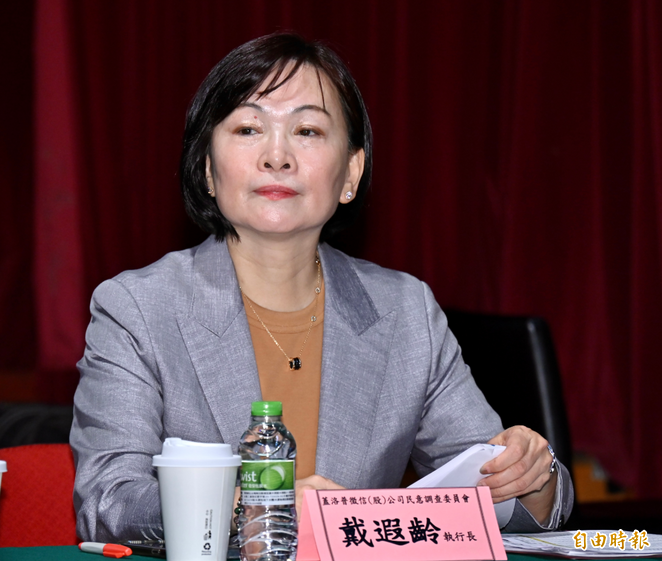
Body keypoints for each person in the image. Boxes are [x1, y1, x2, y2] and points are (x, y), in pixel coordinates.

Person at [70, 33, 574, 543]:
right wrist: (256, 508)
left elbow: (501, 495)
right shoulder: (138, 308)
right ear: (207, 169)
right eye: (248, 128)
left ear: (351, 172)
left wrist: (531, 475)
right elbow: (109, 500)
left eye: (307, 130)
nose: (277, 156)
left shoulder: (406, 312)